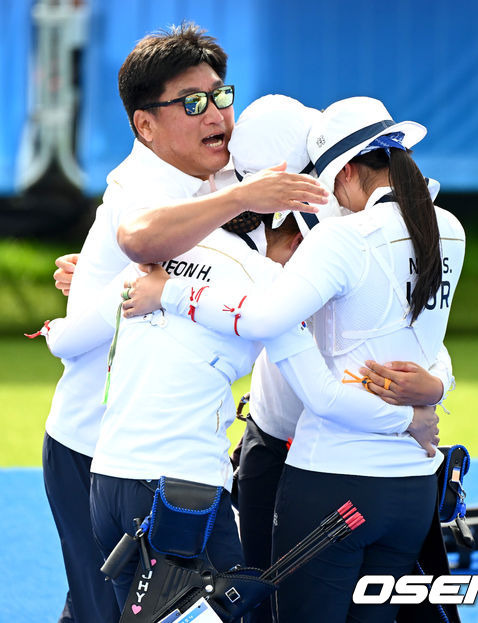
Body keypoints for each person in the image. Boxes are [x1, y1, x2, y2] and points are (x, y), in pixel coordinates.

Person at [128, 96, 465, 622]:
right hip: (402, 477)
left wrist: (168, 291)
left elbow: (280, 337)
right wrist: (432, 397)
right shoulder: (442, 225)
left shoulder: (341, 233)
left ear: (337, 168)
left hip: (326, 468)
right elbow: (422, 337)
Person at [33, 23, 328, 623]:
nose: (217, 113)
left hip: (147, 451)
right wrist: (97, 303)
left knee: (132, 606)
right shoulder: (140, 188)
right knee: (112, 611)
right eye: (192, 103)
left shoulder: (212, 175)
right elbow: (142, 237)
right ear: (145, 125)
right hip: (91, 446)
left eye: (221, 95)